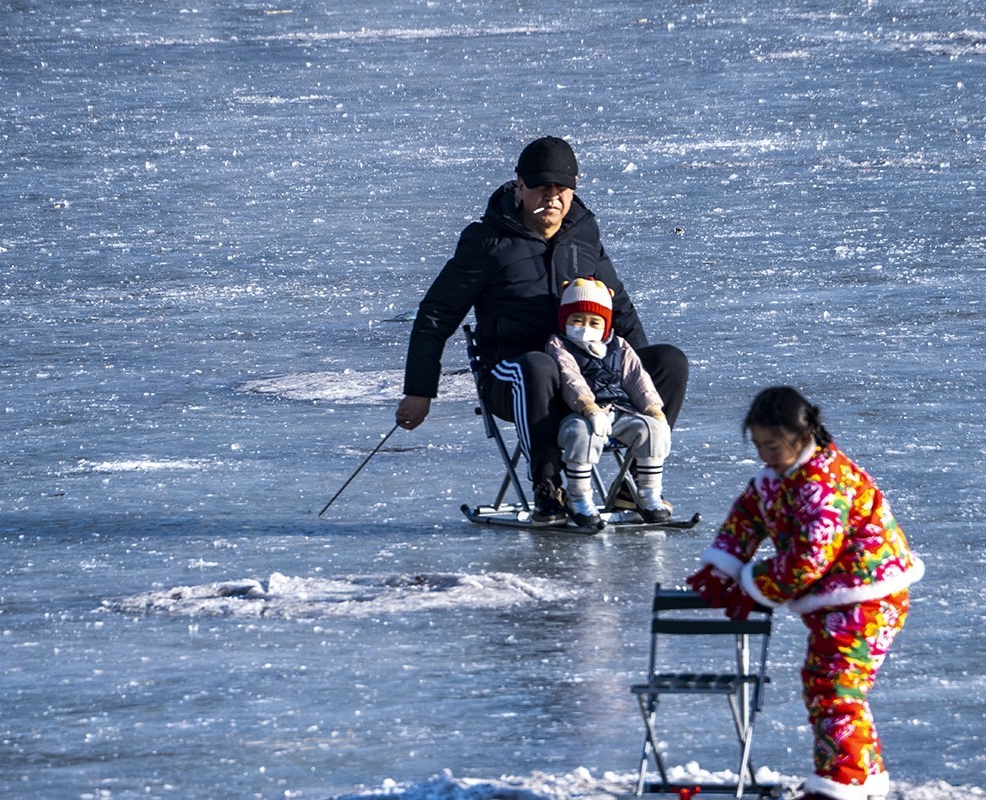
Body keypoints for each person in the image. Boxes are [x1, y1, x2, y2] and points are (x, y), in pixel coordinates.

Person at [395, 136, 688, 526]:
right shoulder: (486, 241)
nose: (551, 199)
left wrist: (635, 375)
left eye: (560, 190)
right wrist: (419, 390)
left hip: (588, 374)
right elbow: (436, 314)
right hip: (515, 373)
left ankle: (632, 487)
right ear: (520, 186)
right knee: (539, 366)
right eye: (540, 189)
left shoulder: (584, 234)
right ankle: (548, 489)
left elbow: (621, 309)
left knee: (669, 361)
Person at [685, 387, 924, 800]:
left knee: (834, 686)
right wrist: (720, 565)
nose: (765, 455)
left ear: (801, 436)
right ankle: (861, 776)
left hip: (868, 597)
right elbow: (748, 514)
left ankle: (841, 784)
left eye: (773, 445)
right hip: (837, 598)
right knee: (829, 683)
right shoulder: (775, 478)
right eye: (758, 445)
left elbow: (811, 557)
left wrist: (754, 586)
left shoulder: (825, 483)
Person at [545, 277, 671, 528]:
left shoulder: (619, 346)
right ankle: (578, 498)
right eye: (577, 320)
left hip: (621, 411)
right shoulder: (559, 345)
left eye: (594, 322)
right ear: (565, 321)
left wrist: (654, 410)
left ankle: (648, 494)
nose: (585, 327)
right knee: (582, 433)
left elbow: (638, 378)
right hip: (580, 414)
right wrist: (589, 407)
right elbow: (571, 378)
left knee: (651, 430)